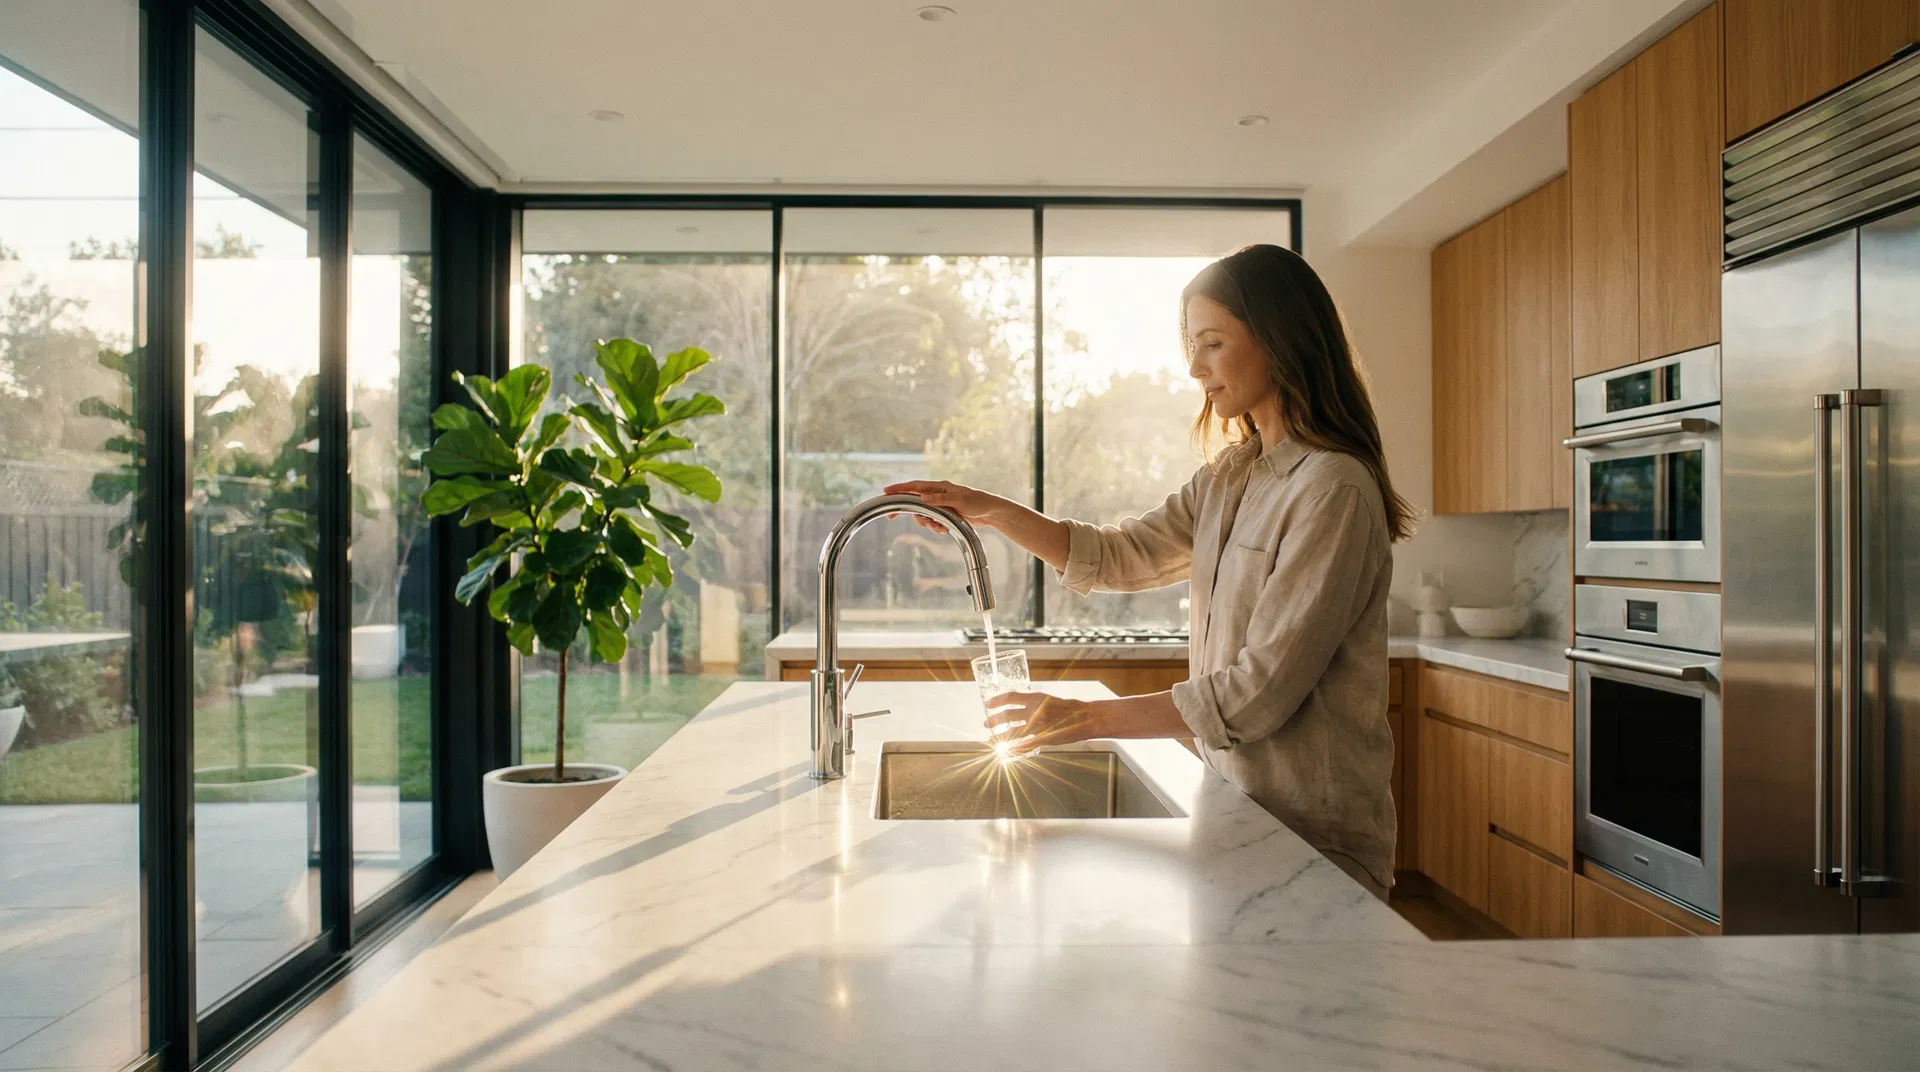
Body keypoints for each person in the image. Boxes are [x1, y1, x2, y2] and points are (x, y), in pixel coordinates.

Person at [884, 243, 1416, 898]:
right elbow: (1119, 555)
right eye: (1193, 345)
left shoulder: (1333, 487)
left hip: (1316, 845)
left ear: (1280, 339)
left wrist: (1084, 719)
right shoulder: (1232, 476)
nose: (1194, 367)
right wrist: (989, 509)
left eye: (1213, 343)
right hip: (1240, 819)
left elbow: (1260, 692)